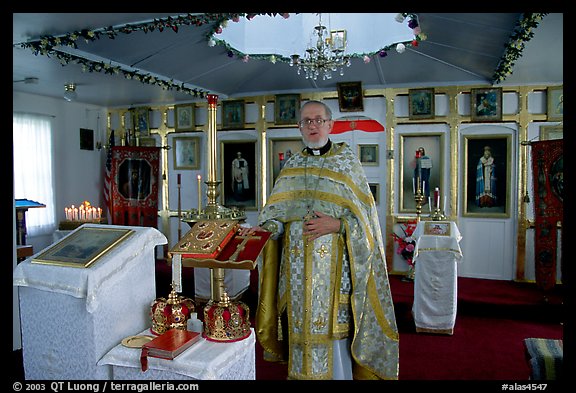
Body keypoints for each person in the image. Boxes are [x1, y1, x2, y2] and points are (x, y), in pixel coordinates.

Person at [239, 100, 398, 380]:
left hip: (334, 275)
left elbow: (367, 223)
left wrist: (339, 224)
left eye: (317, 120)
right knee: (299, 331)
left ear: (330, 124)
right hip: (297, 275)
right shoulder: (292, 164)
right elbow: (278, 214)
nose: (312, 126)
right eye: (306, 121)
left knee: (333, 333)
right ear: (299, 126)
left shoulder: (346, 162)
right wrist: (264, 230)